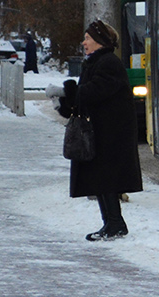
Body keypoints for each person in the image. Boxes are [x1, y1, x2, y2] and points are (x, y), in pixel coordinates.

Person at [56, 20, 142, 241]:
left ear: (99, 41)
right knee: (101, 179)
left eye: (87, 38)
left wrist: (70, 92)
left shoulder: (108, 63)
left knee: (107, 179)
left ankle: (115, 224)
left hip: (112, 133)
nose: (84, 42)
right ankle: (111, 223)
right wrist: (67, 101)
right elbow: (86, 96)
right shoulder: (96, 62)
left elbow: (94, 92)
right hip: (101, 131)